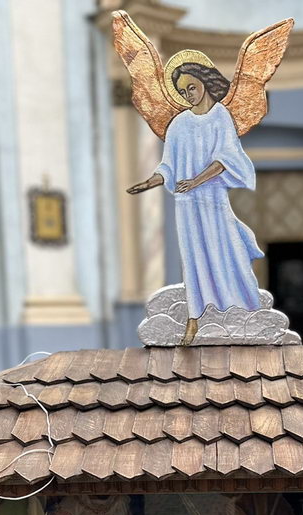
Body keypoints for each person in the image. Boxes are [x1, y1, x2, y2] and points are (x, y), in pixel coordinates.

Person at [126, 60, 264, 346]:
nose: (188, 94)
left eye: (191, 87)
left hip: (212, 201)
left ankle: (240, 310)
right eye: (182, 91)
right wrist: (149, 182)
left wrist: (195, 181)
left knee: (226, 250)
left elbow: (225, 158)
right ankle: (194, 319)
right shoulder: (178, 124)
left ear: (204, 82)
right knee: (194, 259)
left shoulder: (220, 116)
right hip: (187, 207)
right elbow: (168, 166)